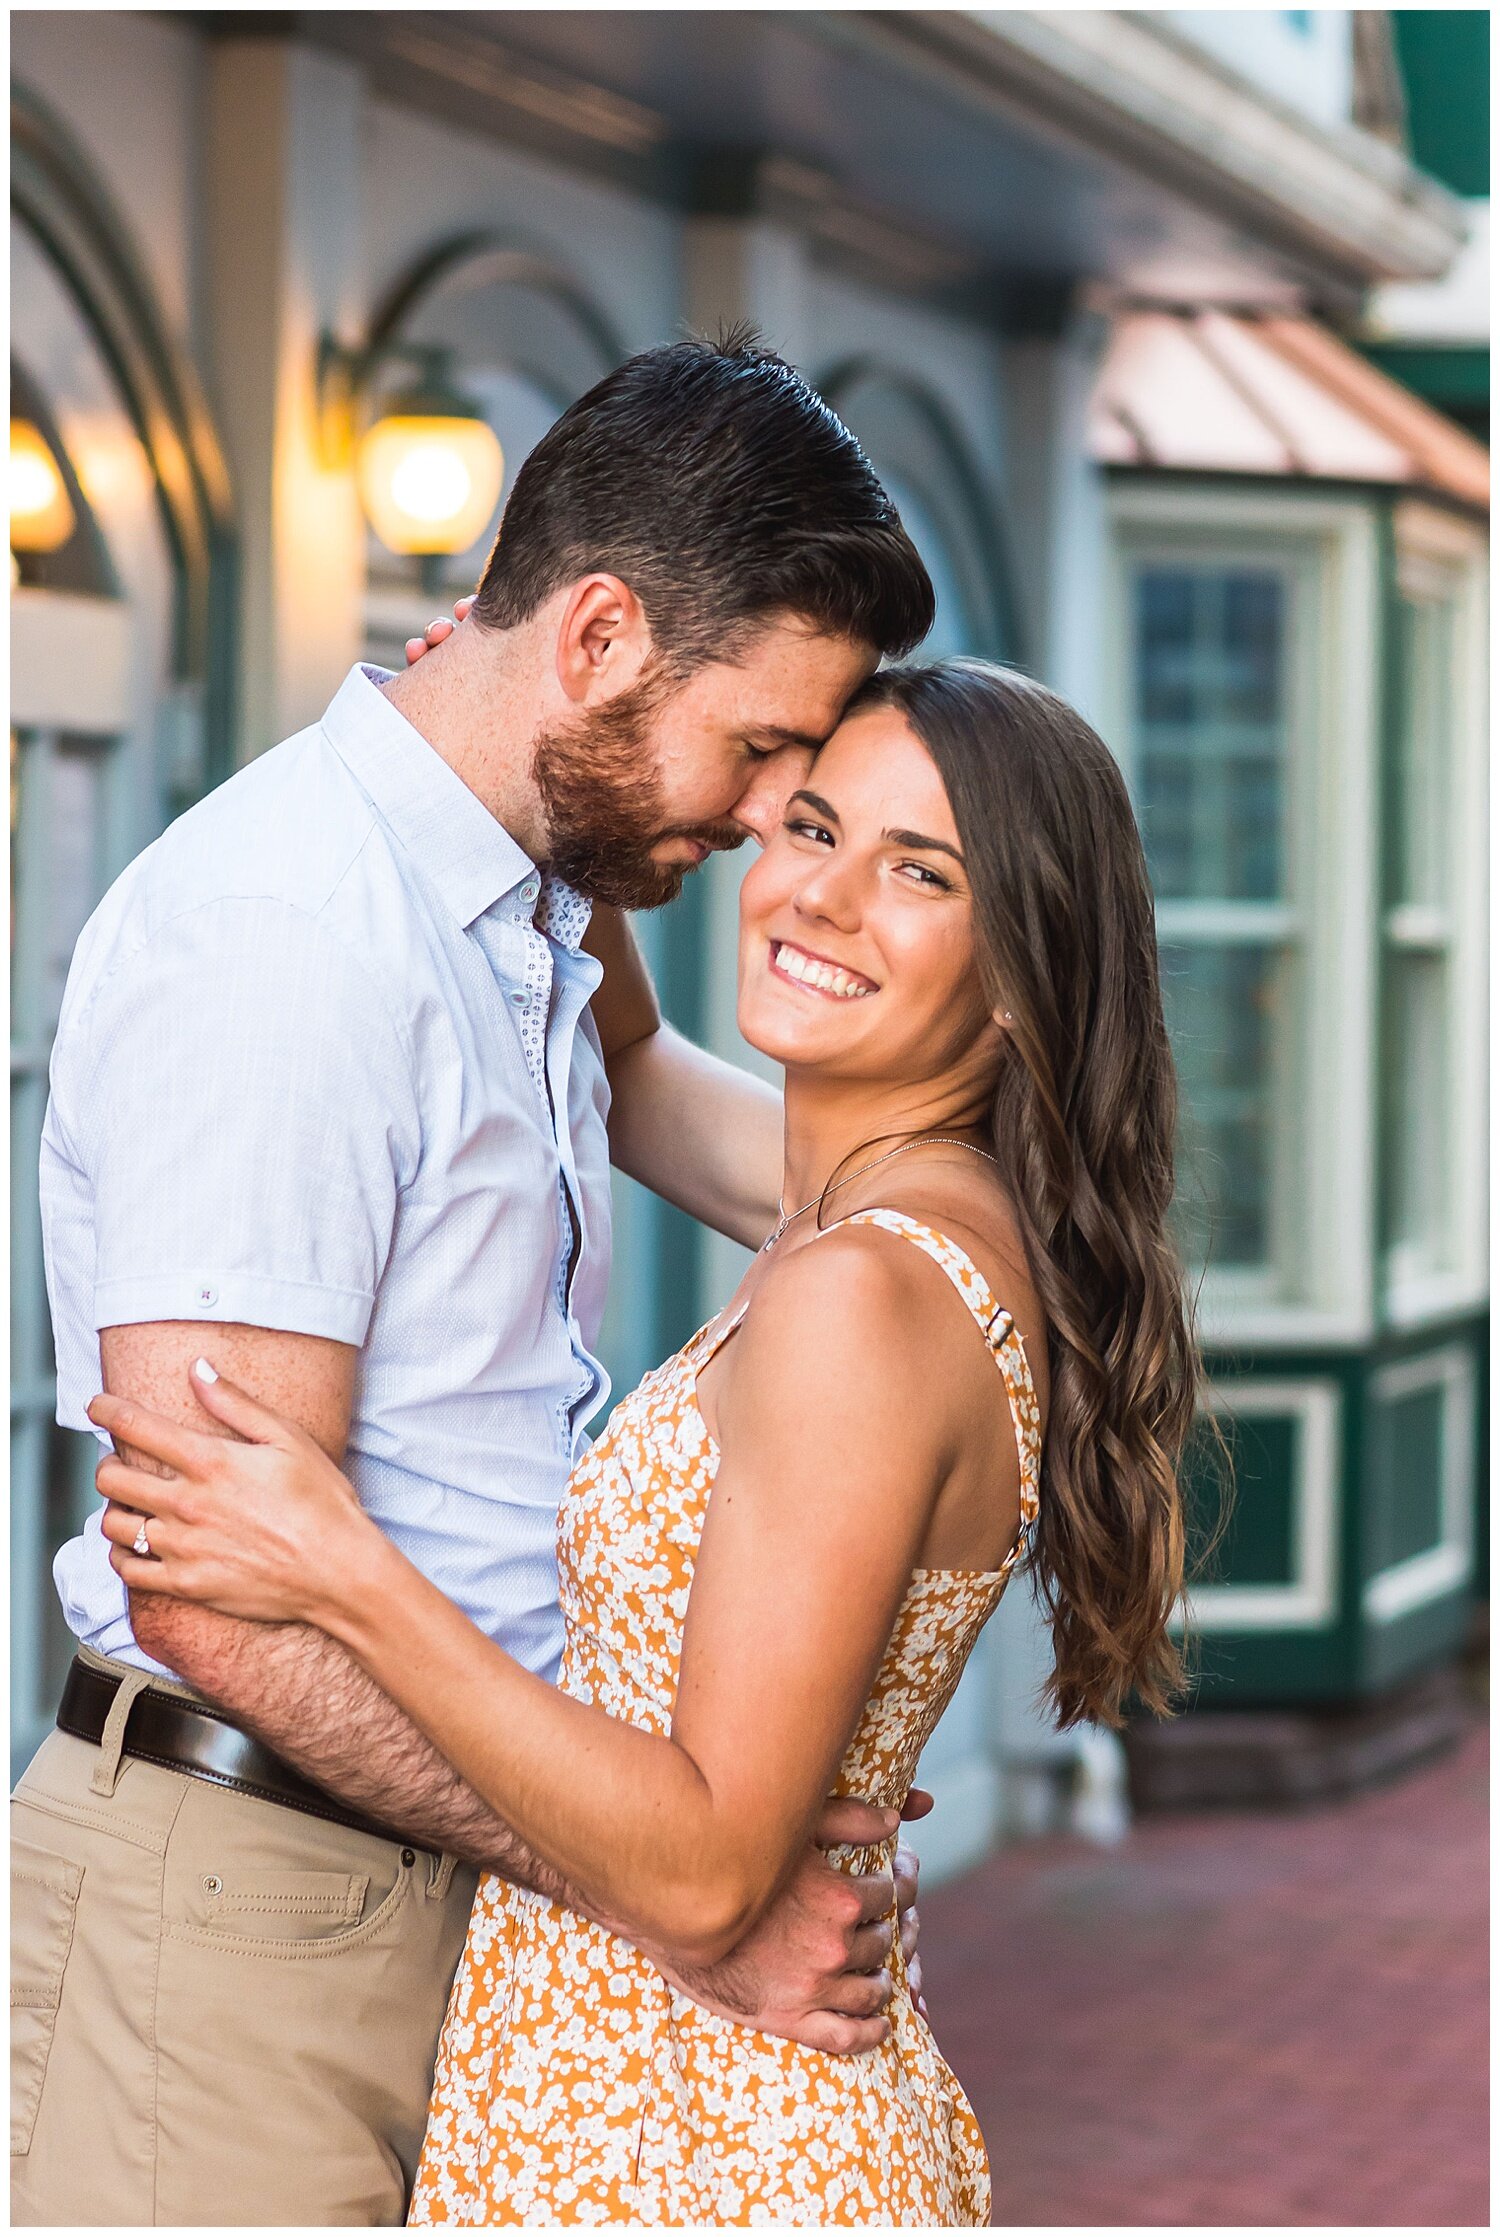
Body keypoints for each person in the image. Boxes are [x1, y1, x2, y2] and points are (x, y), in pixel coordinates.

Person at [13, 336, 938, 2228]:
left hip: (451, 1873)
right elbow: (225, 1605)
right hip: (249, 1898)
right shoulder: (288, 939)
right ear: (596, 638)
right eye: (763, 745)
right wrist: (680, 1897)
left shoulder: (539, 893)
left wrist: (985, 1224)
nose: (772, 812)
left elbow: (646, 1093)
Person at [94, 659, 1199, 2225]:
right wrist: (520, 719)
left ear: (1020, 969)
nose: (821, 897)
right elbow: (621, 1068)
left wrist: (341, 1566)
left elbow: (698, 1873)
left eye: (919, 871)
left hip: (697, 2129)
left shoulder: (860, 1297)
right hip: (658, 2090)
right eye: (810, 827)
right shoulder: (902, 1214)